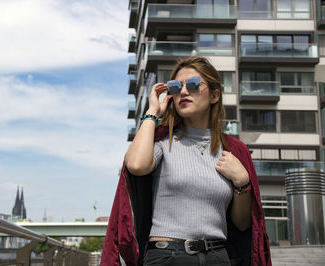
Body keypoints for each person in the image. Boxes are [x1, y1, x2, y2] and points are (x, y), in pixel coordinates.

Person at [101, 56, 271, 266]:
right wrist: (152, 112)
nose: (183, 92)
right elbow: (136, 165)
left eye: (192, 85)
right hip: (167, 257)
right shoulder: (163, 141)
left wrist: (242, 182)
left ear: (215, 95)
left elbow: (242, 224)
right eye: (175, 87)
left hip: (218, 257)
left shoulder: (234, 151)